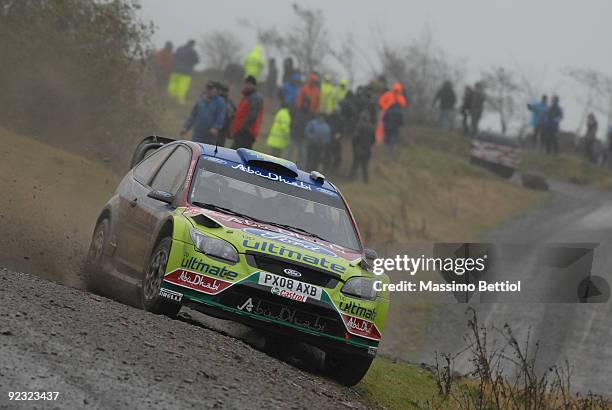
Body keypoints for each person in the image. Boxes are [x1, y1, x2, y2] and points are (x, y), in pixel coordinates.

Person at [230, 76, 264, 149]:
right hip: (241, 132)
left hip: (246, 133)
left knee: (237, 154)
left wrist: (243, 128)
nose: (247, 86)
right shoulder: (247, 97)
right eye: (246, 83)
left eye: (250, 84)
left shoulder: (255, 98)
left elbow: (253, 115)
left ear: (254, 86)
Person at [168, 40, 199, 105]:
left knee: (173, 84)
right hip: (186, 72)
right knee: (183, 86)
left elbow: (174, 57)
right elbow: (196, 61)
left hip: (176, 70)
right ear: (193, 45)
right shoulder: (193, 51)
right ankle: (179, 101)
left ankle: (169, 98)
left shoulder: (179, 48)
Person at [350, 111, 376, 183]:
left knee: (355, 165)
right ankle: (366, 181)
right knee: (364, 166)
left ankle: (350, 179)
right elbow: (374, 140)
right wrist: (369, 145)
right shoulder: (371, 127)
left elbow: (355, 137)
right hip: (367, 150)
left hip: (359, 148)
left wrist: (354, 146)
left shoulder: (359, 126)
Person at [217, 83, 236, 147]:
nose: (224, 92)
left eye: (226, 91)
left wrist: (231, 114)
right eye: (223, 90)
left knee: (220, 145)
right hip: (216, 127)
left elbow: (235, 112)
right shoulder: (217, 99)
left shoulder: (229, 101)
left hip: (224, 127)